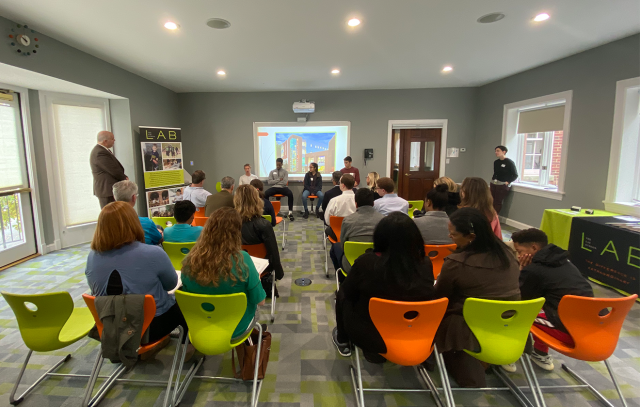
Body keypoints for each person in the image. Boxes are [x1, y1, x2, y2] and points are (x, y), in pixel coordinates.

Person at [434, 207, 520, 387]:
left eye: (453, 234)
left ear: (471, 237)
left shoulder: (457, 263)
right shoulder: (508, 254)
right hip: (511, 325)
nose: (450, 237)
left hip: (467, 327)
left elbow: (440, 297)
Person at [332, 212, 434, 362]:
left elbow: (346, 292)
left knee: (342, 295)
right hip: (416, 332)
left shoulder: (367, 263)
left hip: (372, 335)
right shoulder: (425, 263)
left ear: (379, 237)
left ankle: (342, 339)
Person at [85, 202, 187, 346]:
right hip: (151, 327)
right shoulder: (154, 253)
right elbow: (170, 284)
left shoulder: (92, 256)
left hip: (110, 325)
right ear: (133, 223)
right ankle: (189, 349)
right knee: (185, 297)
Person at [512, 228, 594, 371]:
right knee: (546, 307)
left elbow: (521, 299)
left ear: (534, 248)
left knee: (519, 313)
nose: (518, 256)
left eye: (519, 251)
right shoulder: (565, 261)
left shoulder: (535, 270)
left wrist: (522, 271)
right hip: (596, 328)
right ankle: (540, 353)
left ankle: (509, 355)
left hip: (571, 332)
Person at [180, 207, 266, 339]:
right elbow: (260, 301)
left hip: (199, 326)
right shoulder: (242, 260)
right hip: (236, 328)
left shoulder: (188, 261)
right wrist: (256, 281)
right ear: (236, 232)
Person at [234, 185, 285, 297]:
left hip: (236, 266)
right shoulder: (264, 225)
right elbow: (273, 252)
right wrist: (279, 273)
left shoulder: (229, 223)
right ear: (256, 200)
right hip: (261, 267)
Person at [334, 188, 385, 279]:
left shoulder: (348, 220)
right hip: (379, 264)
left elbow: (343, 245)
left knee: (335, 248)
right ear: (373, 203)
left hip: (352, 265)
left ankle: (344, 282)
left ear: (356, 204)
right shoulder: (383, 219)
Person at [113, 180, 163, 245]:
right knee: (159, 229)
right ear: (134, 197)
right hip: (145, 254)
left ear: (114, 197)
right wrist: (160, 233)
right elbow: (159, 240)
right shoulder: (147, 222)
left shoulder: (107, 223)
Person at [90, 131, 128, 208]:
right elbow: (112, 169)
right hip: (106, 191)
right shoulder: (100, 152)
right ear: (105, 141)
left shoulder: (103, 150)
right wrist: (124, 178)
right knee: (110, 216)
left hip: (109, 190)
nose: (114, 140)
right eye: (112, 139)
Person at [324, 174, 356, 242]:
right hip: (355, 232)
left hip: (337, 233)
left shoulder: (334, 201)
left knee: (328, 230)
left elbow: (327, 220)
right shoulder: (359, 200)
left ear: (343, 185)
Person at [491, 146, 518, 215]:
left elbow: (515, 175)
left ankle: (495, 217)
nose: (496, 152)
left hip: (502, 185)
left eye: (498, 151)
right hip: (494, 183)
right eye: (495, 151)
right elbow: (496, 173)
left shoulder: (509, 162)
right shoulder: (496, 162)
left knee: (498, 201)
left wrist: (507, 182)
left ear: (504, 152)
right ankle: (490, 215)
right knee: (491, 200)